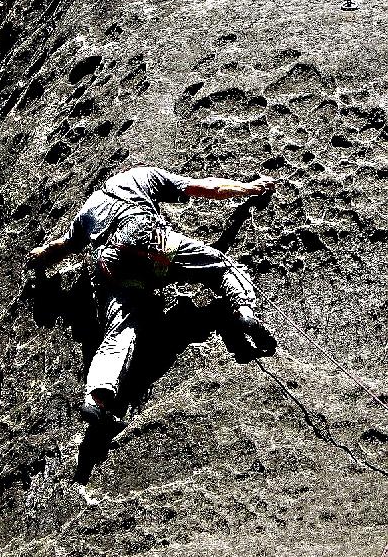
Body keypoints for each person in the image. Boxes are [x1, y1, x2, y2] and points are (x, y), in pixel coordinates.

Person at [28, 166, 276, 429]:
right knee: (220, 266)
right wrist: (252, 188)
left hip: (115, 266)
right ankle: (244, 313)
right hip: (149, 242)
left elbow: (63, 246)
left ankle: (97, 398)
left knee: (120, 330)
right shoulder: (143, 176)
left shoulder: (87, 211)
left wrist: (40, 256)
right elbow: (208, 187)